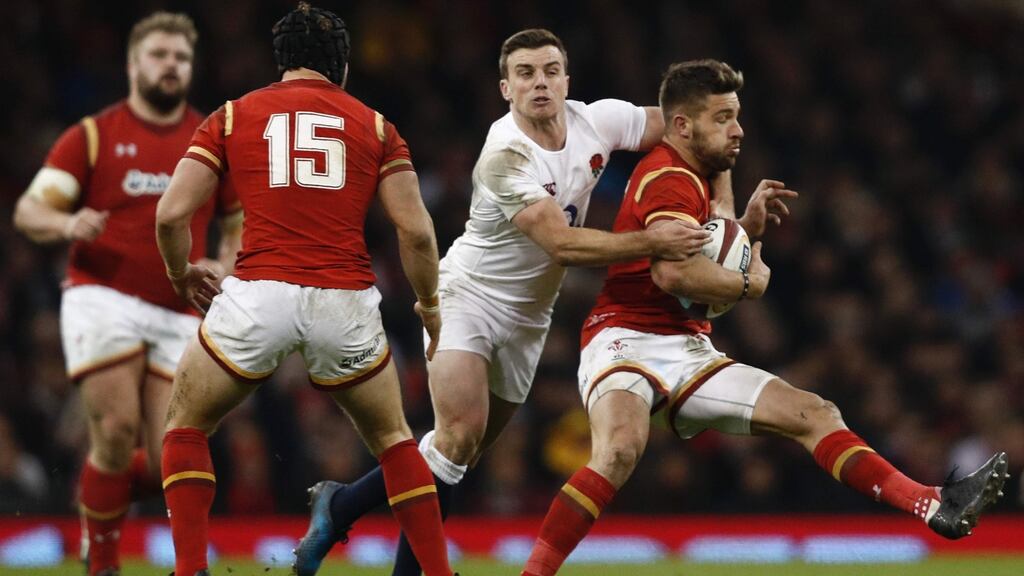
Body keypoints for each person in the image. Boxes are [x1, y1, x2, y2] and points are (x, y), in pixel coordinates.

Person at [519, 59, 1010, 576]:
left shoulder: (701, 170)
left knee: (814, 413)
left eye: (737, 116)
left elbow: (715, 240)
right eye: (724, 118)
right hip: (624, 337)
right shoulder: (667, 177)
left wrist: (745, 231)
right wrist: (751, 280)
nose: (739, 130)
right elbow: (674, 276)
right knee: (619, 451)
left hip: (687, 347)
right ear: (683, 126)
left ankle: (933, 504)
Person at [294, 28, 713, 576]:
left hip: (529, 318)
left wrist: (719, 166)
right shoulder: (505, 156)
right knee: (455, 439)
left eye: (550, 71)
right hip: (467, 297)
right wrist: (654, 240)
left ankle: (341, 504)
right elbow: (562, 246)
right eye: (525, 74)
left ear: (567, 79)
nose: (540, 83)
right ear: (504, 88)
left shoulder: (600, 121)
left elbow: (687, 129)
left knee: (455, 458)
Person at [154, 4, 455, 576]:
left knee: (186, 425)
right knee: (394, 441)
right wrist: (430, 305)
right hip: (343, 301)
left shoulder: (231, 117)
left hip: (257, 293)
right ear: (341, 66)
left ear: (281, 62)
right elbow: (415, 230)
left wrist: (180, 274)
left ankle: (190, 569)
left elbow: (171, 215)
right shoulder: (375, 126)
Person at [11, 12, 241, 576]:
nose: (171, 65)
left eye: (181, 57)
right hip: (102, 295)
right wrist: (67, 225)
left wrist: (226, 264)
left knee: (174, 452)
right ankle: (106, 564)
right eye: (160, 54)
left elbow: (238, 221)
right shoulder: (91, 136)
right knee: (114, 430)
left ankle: (103, 502)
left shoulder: (210, 138)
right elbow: (29, 209)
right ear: (133, 64)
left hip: (181, 303)